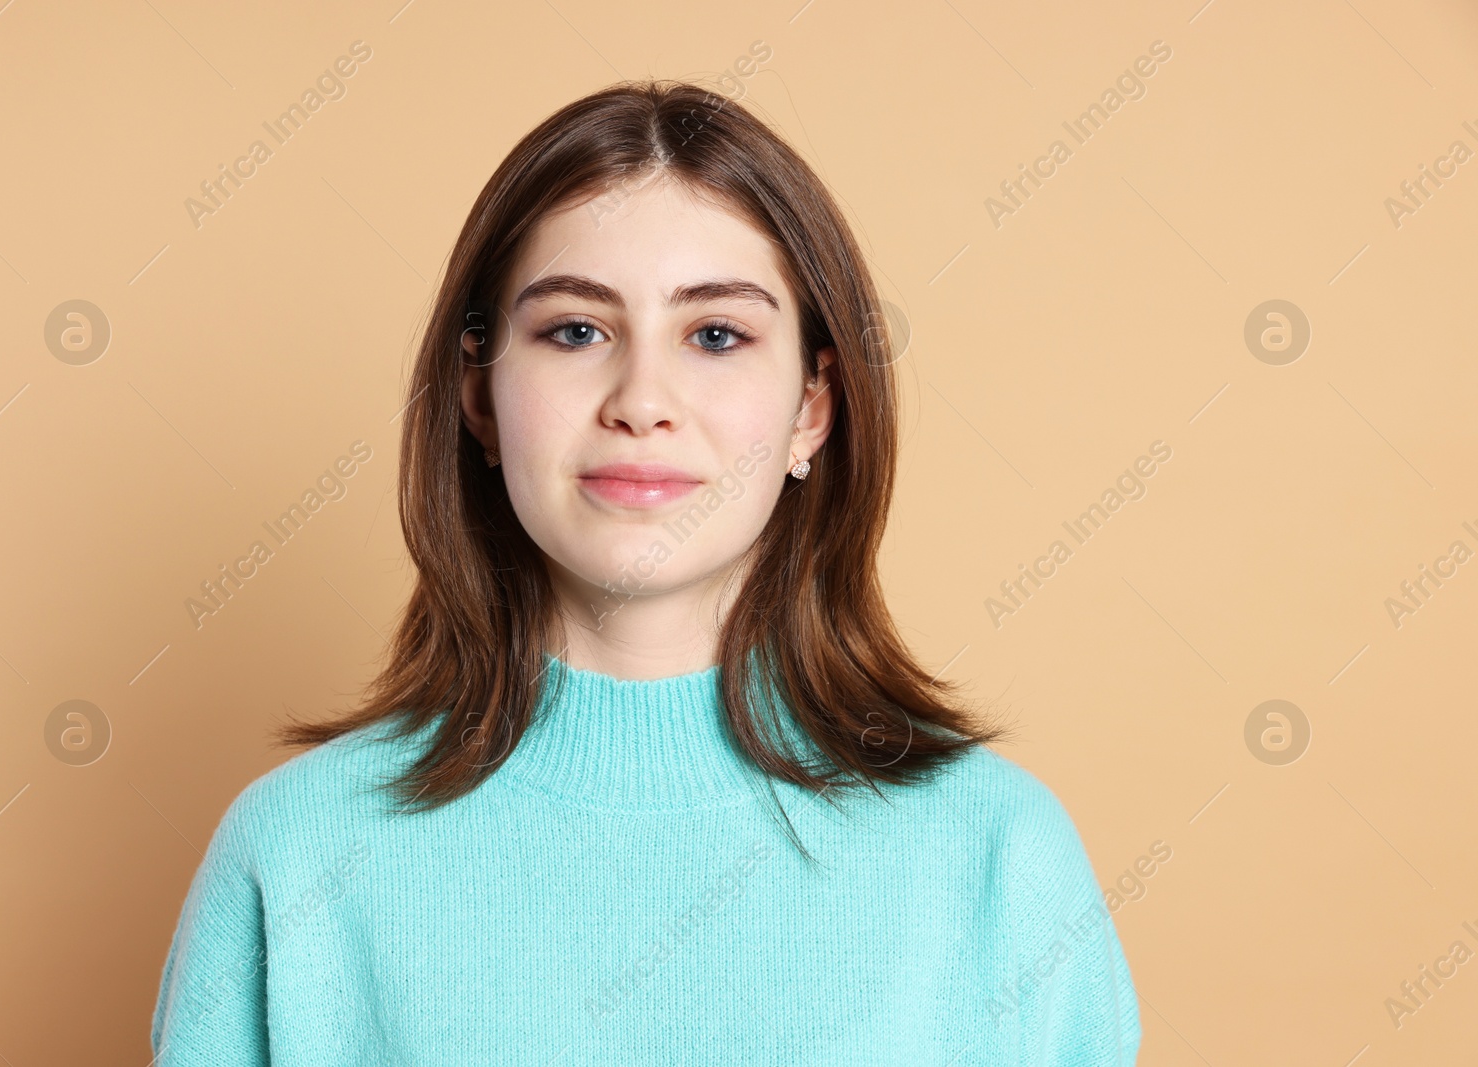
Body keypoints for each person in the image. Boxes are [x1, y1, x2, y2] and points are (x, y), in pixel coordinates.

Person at [150, 78, 1142, 1065]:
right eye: (575, 330)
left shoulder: (997, 856)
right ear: (480, 395)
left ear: (811, 405)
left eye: (715, 334)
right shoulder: (295, 853)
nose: (642, 400)